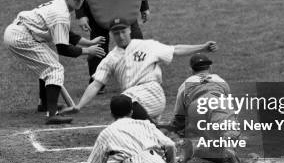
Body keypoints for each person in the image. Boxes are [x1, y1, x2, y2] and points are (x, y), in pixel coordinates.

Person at [61, 17, 218, 121]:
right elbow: (96, 84)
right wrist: (79, 105)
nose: (121, 36)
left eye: (123, 31)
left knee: (121, 102)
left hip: (152, 92)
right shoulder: (110, 58)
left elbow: (175, 50)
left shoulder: (146, 45)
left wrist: (203, 47)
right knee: (128, 122)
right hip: (135, 101)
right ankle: (155, 134)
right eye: (116, 33)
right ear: (112, 34)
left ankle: (153, 132)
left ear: (129, 30)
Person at [3, 0, 106, 124]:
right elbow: (63, 48)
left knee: (51, 59)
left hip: (20, 31)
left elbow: (66, 34)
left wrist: (89, 42)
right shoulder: (61, 15)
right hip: (21, 37)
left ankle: (45, 104)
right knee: (54, 68)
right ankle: (52, 114)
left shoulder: (60, 5)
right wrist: (88, 51)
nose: (80, 1)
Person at [162, 53, 247, 163]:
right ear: (210, 68)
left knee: (185, 125)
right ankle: (229, 147)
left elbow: (179, 118)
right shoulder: (220, 80)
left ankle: (185, 158)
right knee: (229, 130)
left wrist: (175, 130)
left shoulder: (185, 84)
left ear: (192, 70)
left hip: (196, 108)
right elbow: (228, 103)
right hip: (217, 101)